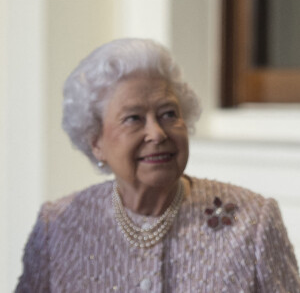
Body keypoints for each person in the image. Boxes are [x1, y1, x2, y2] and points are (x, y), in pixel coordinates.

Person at [16, 38, 300, 292]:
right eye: (134, 118)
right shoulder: (57, 229)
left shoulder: (251, 222)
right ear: (96, 141)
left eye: (168, 114)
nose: (157, 133)